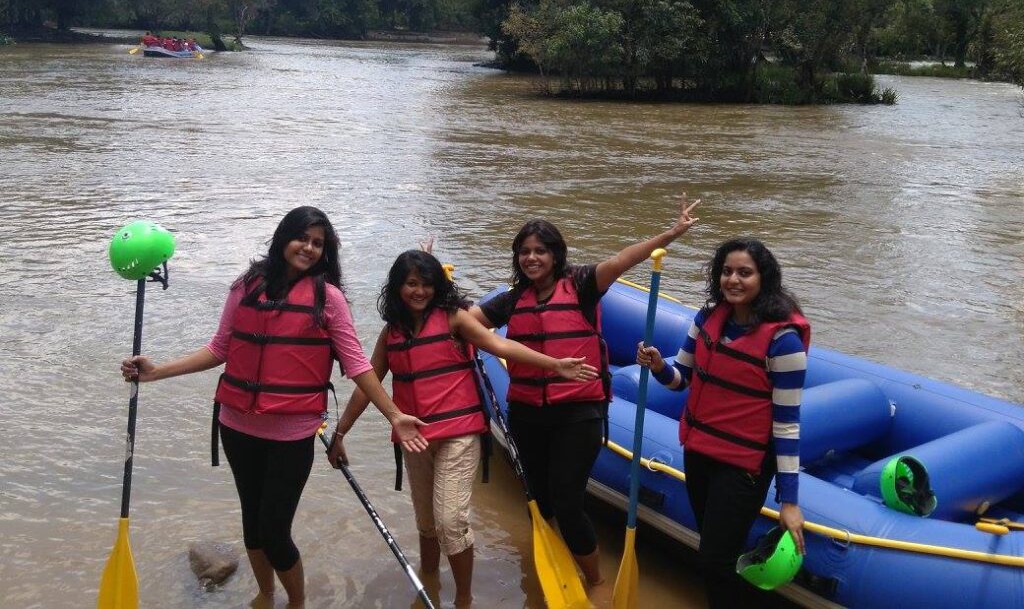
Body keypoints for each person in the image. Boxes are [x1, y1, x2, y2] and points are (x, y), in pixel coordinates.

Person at [120, 206, 427, 609]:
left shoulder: (328, 298)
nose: (309, 248)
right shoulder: (246, 285)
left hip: (292, 434)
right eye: (303, 238)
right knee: (252, 526)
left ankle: (296, 602)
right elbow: (219, 349)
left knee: (274, 530)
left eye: (319, 243)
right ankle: (265, 595)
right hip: (236, 426)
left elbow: (357, 365)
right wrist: (156, 372)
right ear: (284, 237)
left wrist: (395, 415)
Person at [328, 249, 598, 608]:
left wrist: (554, 365)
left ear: (437, 286)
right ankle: (429, 586)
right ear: (397, 288)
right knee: (426, 522)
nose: (419, 291)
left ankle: (464, 601)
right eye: (411, 284)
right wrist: (341, 433)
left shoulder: (454, 319)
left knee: (450, 522)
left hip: (459, 434)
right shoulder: (391, 333)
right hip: (415, 439)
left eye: (426, 284)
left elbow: (498, 343)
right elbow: (369, 384)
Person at [466, 195, 701, 592]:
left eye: (540, 250)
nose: (531, 258)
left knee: (567, 498)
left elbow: (624, 259)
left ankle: (595, 580)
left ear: (556, 255)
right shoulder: (512, 300)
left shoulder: (581, 284)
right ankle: (549, 560)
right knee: (539, 499)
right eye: (524, 252)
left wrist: (670, 234)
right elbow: (467, 323)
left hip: (579, 412)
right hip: (527, 412)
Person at [636, 237, 809, 608]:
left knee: (714, 559)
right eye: (727, 271)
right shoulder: (708, 318)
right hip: (699, 452)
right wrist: (658, 366)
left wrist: (789, 501)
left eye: (745, 273)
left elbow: (788, 425)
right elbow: (681, 379)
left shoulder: (784, 342)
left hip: (743, 467)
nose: (734, 279)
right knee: (714, 553)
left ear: (764, 279)